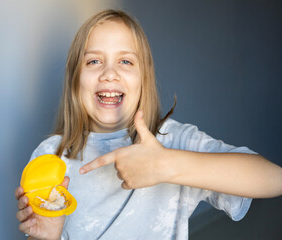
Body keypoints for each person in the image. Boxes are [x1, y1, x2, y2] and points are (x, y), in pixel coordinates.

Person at [15, 9, 282, 240]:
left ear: (144, 78)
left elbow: (273, 179)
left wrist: (167, 164)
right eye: (94, 61)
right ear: (75, 79)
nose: (109, 73)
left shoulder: (172, 140)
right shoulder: (49, 155)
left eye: (126, 61)